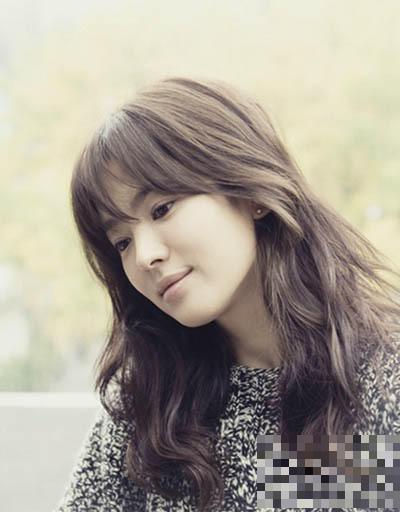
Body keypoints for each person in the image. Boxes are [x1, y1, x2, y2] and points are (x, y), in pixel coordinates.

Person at [55, 77, 400, 512]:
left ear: (250, 192)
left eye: (162, 209)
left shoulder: (379, 378)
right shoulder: (149, 395)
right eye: (122, 241)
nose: (144, 255)